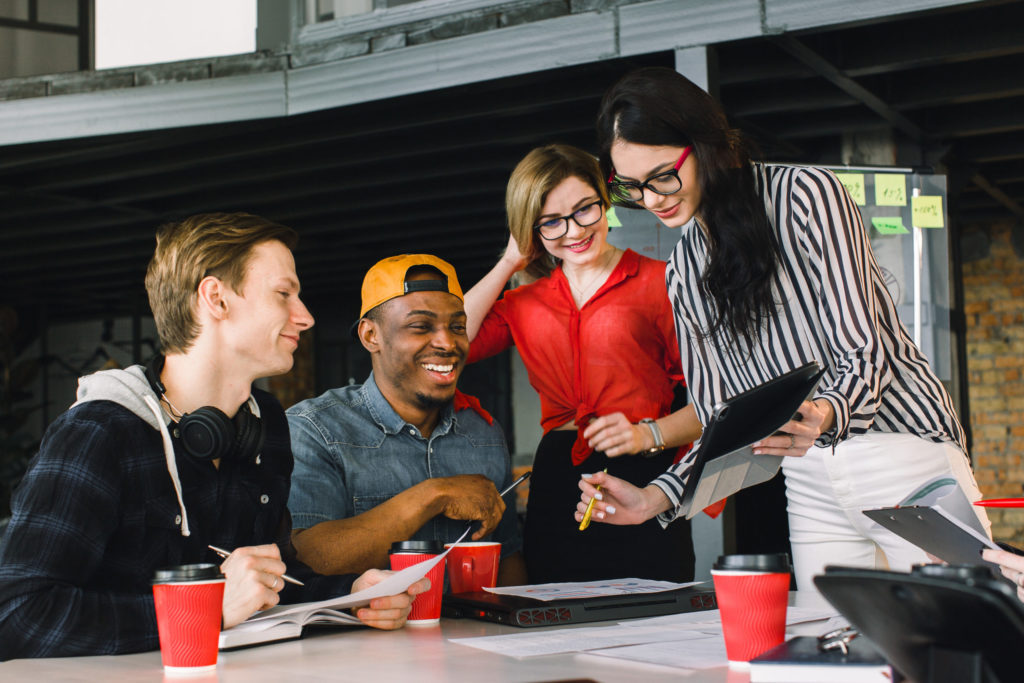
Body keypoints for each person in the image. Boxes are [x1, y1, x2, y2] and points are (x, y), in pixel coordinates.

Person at [573, 66, 991, 591]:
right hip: (809, 477)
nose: (653, 199)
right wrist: (656, 496)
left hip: (900, 452)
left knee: (964, 636)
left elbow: (866, 349)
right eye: (632, 187)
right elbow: (720, 418)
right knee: (834, 659)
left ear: (703, 146)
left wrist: (824, 412)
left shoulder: (805, 195)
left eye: (662, 175)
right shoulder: (684, 269)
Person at [0, 213, 426, 660]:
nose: (306, 317)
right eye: (284, 294)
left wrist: (351, 593)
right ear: (216, 298)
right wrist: (203, 609)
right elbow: (16, 615)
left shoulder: (266, 425)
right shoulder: (97, 433)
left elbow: (266, 586)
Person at [463, 144, 704, 584]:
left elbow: (711, 402)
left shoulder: (660, 282)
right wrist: (510, 261)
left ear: (604, 200)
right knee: (557, 615)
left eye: (584, 210)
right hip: (559, 474)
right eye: (551, 221)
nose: (573, 231)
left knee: (653, 617)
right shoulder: (524, 302)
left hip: (645, 467)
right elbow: (452, 343)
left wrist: (648, 436)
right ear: (531, 229)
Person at [287, 254, 526, 584]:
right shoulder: (313, 429)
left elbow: (507, 557)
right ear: (371, 336)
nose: (447, 343)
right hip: (367, 636)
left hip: (473, 633)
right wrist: (434, 495)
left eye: (457, 326)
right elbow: (307, 560)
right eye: (421, 327)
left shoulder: (482, 433)